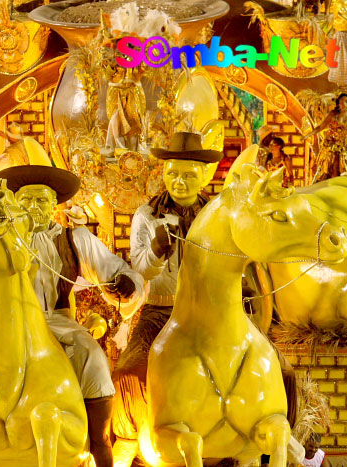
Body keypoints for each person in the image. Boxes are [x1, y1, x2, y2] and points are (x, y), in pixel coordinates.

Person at [0, 138, 144, 467]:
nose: (35, 208)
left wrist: (125, 285)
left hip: (58, 324)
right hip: (0, 329)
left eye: (43, 201)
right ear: (17, 204)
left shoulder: (73, 238)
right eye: (27, 200)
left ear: (55, 204)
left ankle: (99, 443)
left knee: (95, 361)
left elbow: (114, 270)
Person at [113, 132, 224, 461]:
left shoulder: (216, 213)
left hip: (208, 313)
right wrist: (158, 251)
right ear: (163, 172)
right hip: (160, 313)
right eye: (173, 173)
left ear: (204, 175)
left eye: (189, 175)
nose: (180, 182)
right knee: (127, 373)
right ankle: (130, 434)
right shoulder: (147, 215)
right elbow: (141, 271)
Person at [303, 93, 347, 182]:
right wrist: (308, 135)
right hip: (332, 146)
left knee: (345, 170)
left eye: (346, 102)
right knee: (331, 168)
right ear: (338, 104)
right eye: (341, 102)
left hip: (346, 148)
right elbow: (321, 126)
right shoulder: (333, 114)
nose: (343, 104)